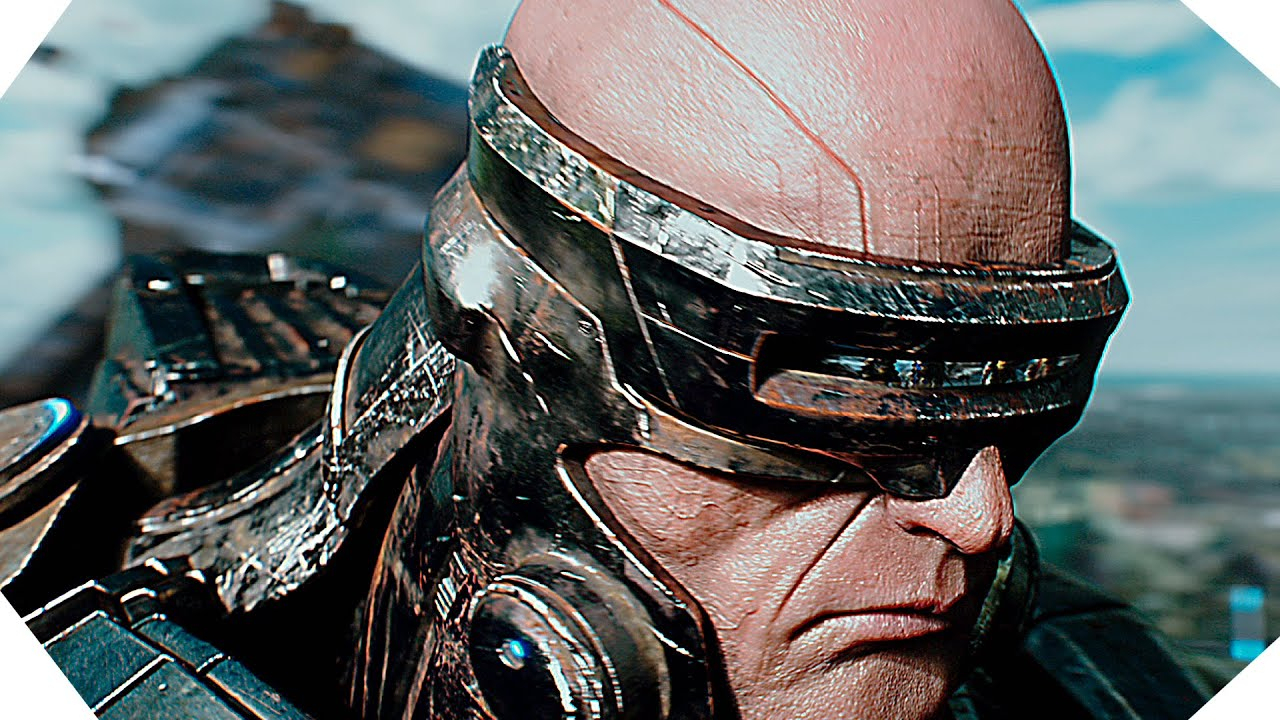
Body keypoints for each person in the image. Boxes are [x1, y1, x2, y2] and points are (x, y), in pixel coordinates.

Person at [6, 0, 1215, 718]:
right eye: (837, 407)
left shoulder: (1094, 684)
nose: (978, 518)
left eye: (1013, 407)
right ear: (520, 348)